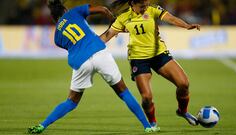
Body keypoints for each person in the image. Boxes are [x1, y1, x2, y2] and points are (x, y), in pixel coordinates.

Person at [27, 0, 154, 133]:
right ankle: (147, 126)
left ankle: (42, 125)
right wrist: (112, 20)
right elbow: (103, 9)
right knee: (123, 92)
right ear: (65, 10)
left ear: (54, 19)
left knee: (71, 102)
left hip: (80, 61)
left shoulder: (56, 38)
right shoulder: (74, 12)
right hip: (98, 51)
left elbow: (73, 45)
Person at [100, 0, 201, 130]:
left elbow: (171, 19)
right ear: (132, 4)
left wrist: (186, 26)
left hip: (159, 54)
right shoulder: (123, 17)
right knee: (147, 97)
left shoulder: (152, 9)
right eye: (142, 6)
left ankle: (182, 111)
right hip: (138, 58)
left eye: (147, 4)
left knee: (184, 84)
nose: (145, 7)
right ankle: (152, 123)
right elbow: (107, 35)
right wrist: (88, 45)